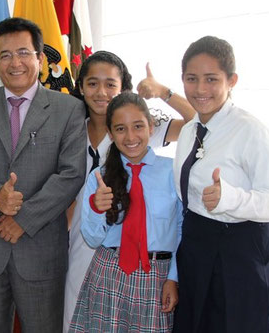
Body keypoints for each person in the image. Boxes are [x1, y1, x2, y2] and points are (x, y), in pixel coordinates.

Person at [0, 17, 87, 333]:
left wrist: (23, 219)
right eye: (5, 55)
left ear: (40, 58)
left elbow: (71, 174)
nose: (15, 62)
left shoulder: (68, 108)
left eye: (24, 53)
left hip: (41, 249)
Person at [64, 51, 194, 331]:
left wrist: (164, 92)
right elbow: (91, 233)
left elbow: (198, 126)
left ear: (151, 126)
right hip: (105, 269)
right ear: (112, 133)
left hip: (155, 275)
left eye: (110, 83)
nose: (130, 136)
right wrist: (97, 207)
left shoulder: (169, 171)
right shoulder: (93, 164)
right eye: (121, 129)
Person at [173, 36, 269, 332]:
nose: (200, 89)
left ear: (232, 80)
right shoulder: (188, 131)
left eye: (211, 79)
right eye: (192, 79)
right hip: (198, 249)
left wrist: (232, 199)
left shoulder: (252, 131)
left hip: (244, 254)